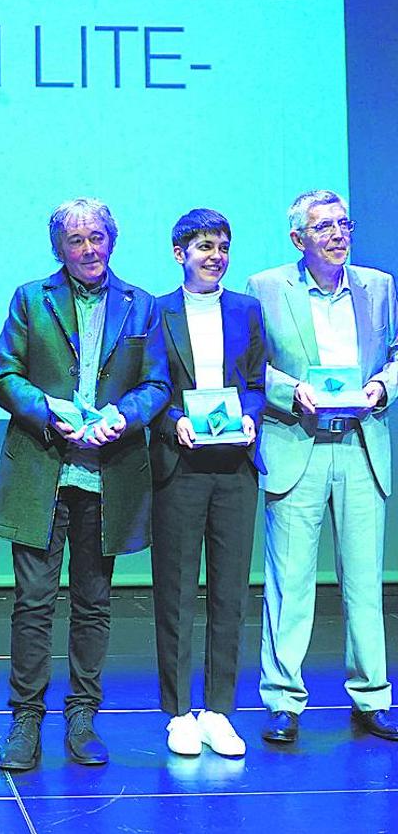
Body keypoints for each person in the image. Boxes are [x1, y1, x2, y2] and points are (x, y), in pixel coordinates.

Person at [0, 197, 169, 771]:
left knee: (93, 603)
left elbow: (157, 383)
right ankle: (25, 719)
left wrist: (124, 417)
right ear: (59, 248)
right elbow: (4, 373)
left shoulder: (141, 305)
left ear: (112, 240)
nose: (89, 249)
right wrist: (47, 409)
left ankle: (83, 715)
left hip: (108, 475)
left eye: (97, 238)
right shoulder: (29, 298)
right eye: (76, 240)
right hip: (42, 470)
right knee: (33, 603)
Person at [246, 190, 398, 743]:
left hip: (360, 443)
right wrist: (292, 392)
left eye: (343, 224)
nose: (338, 235)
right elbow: (250, 363)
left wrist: (383, 386)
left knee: (365, 581)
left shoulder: (378, 286)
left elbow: (397, 352)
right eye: (324, 227)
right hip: (297, 441)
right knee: (290, 582)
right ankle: (284, 700)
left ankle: (373, 696)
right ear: (298, 239)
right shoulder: (266, 287)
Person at [149, 209, 265, 757]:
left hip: (235, 467)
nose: (215, 257)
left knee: (229, 592)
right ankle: (177, 713)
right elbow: (150, 387)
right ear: (180, 253)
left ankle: (220, 710)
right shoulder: (156, 312)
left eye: (222, 247)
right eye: (204, 248)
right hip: (180, 466)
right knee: (175, 592)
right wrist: (175, 421)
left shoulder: (247, 309)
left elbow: (258, 383)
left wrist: (250, 417)